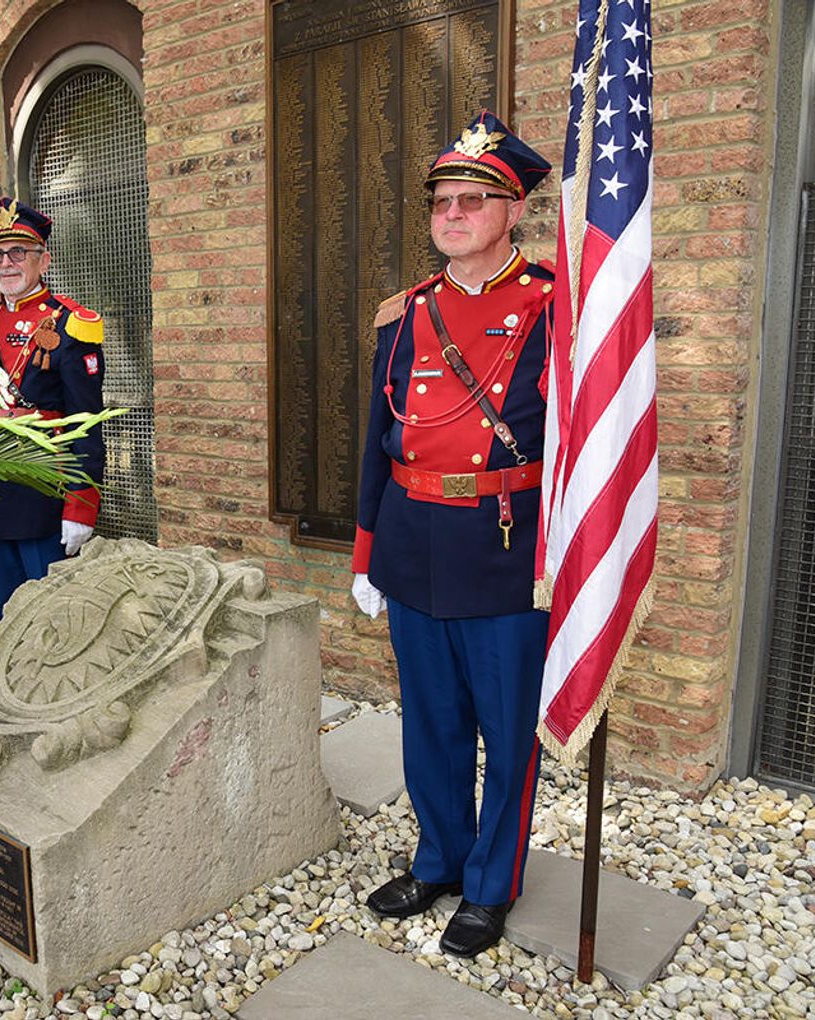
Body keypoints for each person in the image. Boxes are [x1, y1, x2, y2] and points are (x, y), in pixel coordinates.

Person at [351, 112, 554, 958]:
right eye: (443, 202)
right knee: (430, 721)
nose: (455, 214)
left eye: (474, 200)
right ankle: (437, 859)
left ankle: (490, 883)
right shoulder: (405, 315)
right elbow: (377, 440)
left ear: (513, 211)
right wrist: (367, 552)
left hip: (503, 549)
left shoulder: (556, 307)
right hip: (413, 541)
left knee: (505, 732)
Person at [0, 197, 105, 625]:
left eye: (19, 252)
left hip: (44, 498)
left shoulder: (70, 324)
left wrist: (80, 506)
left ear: (44, 259)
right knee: (4, 619)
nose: (7, 263)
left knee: (50, 622)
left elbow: (85, 424)